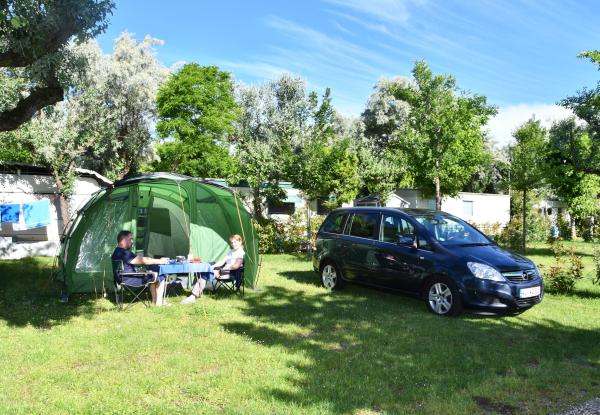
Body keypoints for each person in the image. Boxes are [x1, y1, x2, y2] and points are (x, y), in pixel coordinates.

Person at [181, 234, 245, 304]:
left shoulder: (240, 253)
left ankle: (193, 296)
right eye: (232, 242)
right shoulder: (231, 251)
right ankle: (196, 293)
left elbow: (236, 266)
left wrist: (223, 269)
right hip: (223, 269)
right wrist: (213, 266)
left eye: (235, 242)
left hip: (230, 273)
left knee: (205, 274)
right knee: (205, 270)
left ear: (240, 242)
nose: (233, 244)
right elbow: (222, 261)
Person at [111, 230, 170, 306]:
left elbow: (126, 267)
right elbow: (144, 261)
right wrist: (160, 261)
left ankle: (154, 301)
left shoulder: (117, 251)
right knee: (160, 275)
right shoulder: (124, 253)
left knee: (151, 272)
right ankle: (159, 302)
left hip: (121, 278)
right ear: (124, 239)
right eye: (130, 239)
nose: (132, 241)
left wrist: (142, 271)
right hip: (129, 279)